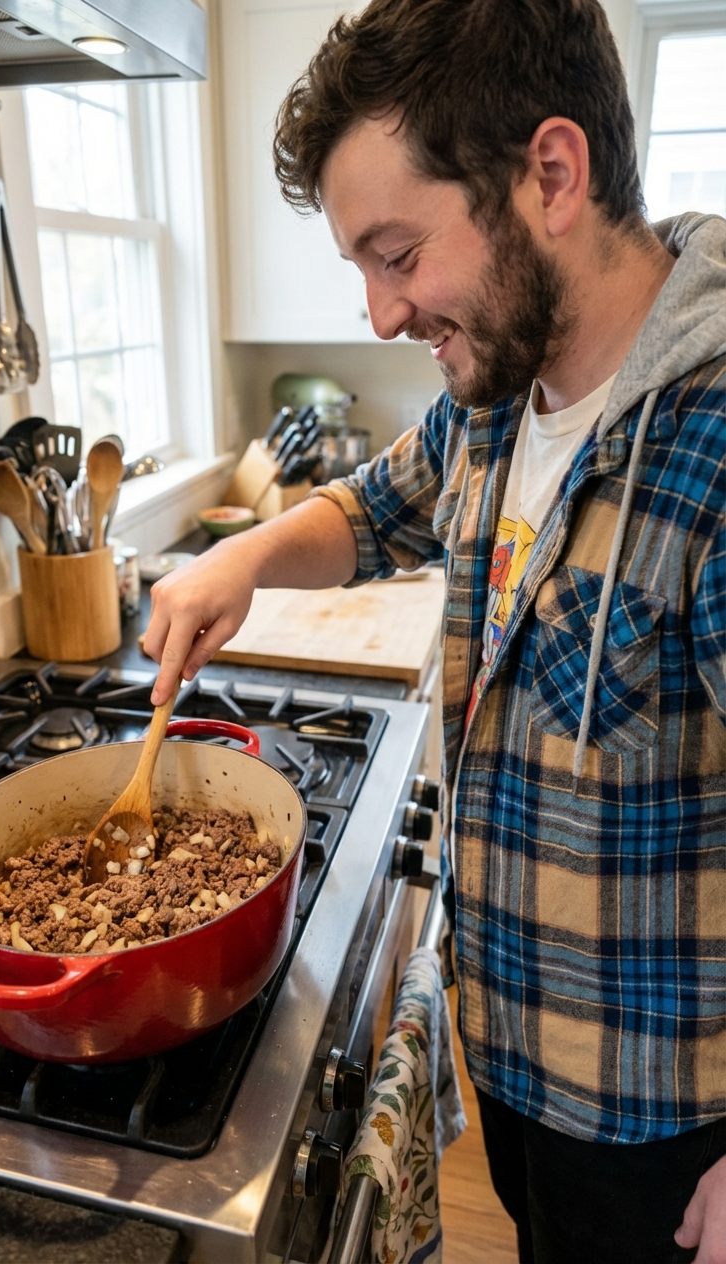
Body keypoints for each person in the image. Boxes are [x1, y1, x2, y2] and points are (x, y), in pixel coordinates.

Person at [143, 1, 726, 1259]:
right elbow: (367, 509)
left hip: (662, 1122)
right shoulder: (496, 395)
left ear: (550, 177)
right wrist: (241, 556)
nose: (378, 313)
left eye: (396, 254)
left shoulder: (714, 439)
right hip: (515, 1056)